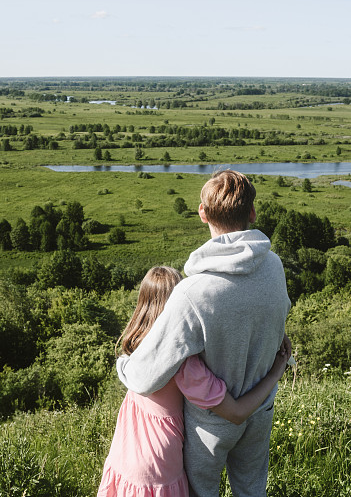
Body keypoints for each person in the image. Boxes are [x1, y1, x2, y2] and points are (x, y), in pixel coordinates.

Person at [117, 170, 291, 497]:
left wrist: (124, 364)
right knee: (253, 491)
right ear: (252, 213)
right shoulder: (275, 267)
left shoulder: (192, 293)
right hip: (262, 407)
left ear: (202, 214)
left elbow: (144, 377)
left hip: (209, 425)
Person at [98, 266, 290, 496]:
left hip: (124, 456)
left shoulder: (135, 350)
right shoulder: (186, 366)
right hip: (160, 463)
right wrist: (274, 373)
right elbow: (236, 413)